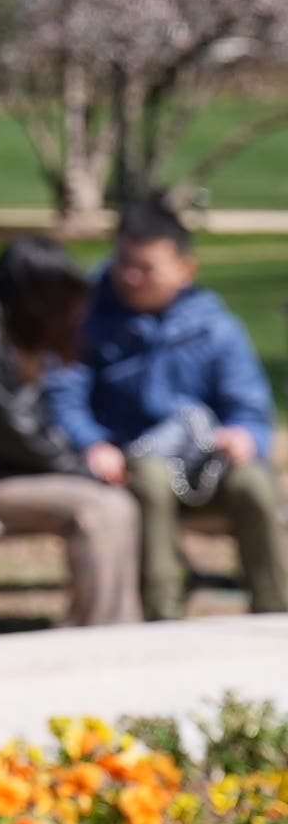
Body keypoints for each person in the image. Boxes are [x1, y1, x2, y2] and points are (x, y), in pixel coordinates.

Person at [0, 232, 138, 627]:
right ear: (38, 294)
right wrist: (82, 471)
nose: (75, 311)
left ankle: (105, 632)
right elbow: (13, 431)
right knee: (96, 508)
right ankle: (102, 638)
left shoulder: (13, 337)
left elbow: (35, 426)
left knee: (114, 506)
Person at [83, 198, 288, 621]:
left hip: (204, 459)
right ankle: (162, 616)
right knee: (153, 478)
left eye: (145, 267)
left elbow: (248, 405)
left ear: (184, 270)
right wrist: (92, 442)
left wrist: (245, 434)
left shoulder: (215, 327)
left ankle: (274, 612)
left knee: (253, 482)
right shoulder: (90, 320)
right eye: (123, 262)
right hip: (127, 458)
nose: (129, 276)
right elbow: (64, 395)